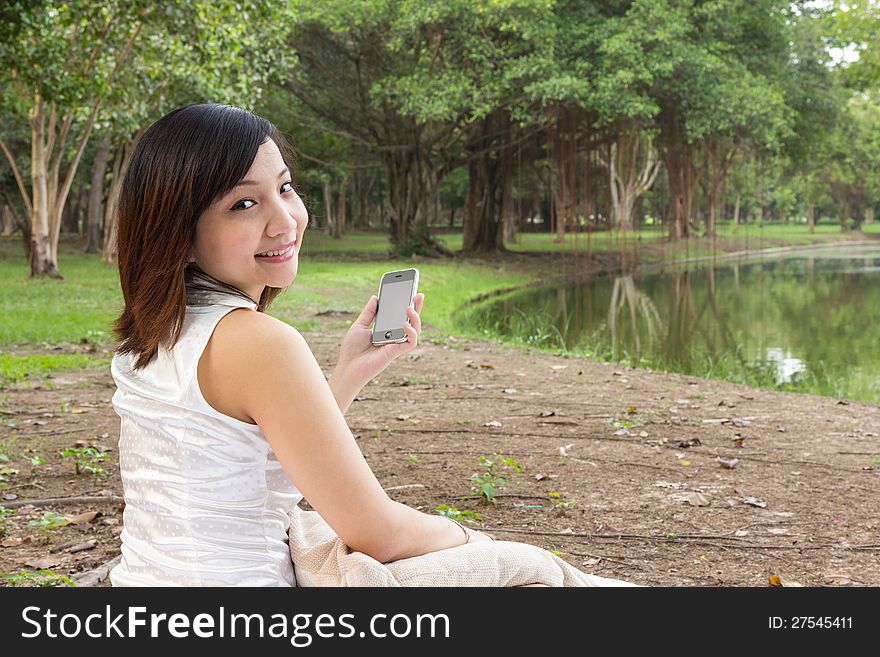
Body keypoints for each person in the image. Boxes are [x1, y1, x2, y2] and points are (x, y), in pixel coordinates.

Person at [109, 103, 638, 587]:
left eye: (286, 188)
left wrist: (347, 373)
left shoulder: (153, 335)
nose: (285, 219)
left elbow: (244, 469)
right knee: (539, 576)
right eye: (245, 203)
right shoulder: (258, 342)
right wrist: (473, 541)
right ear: (180, 230)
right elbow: (378, 533)